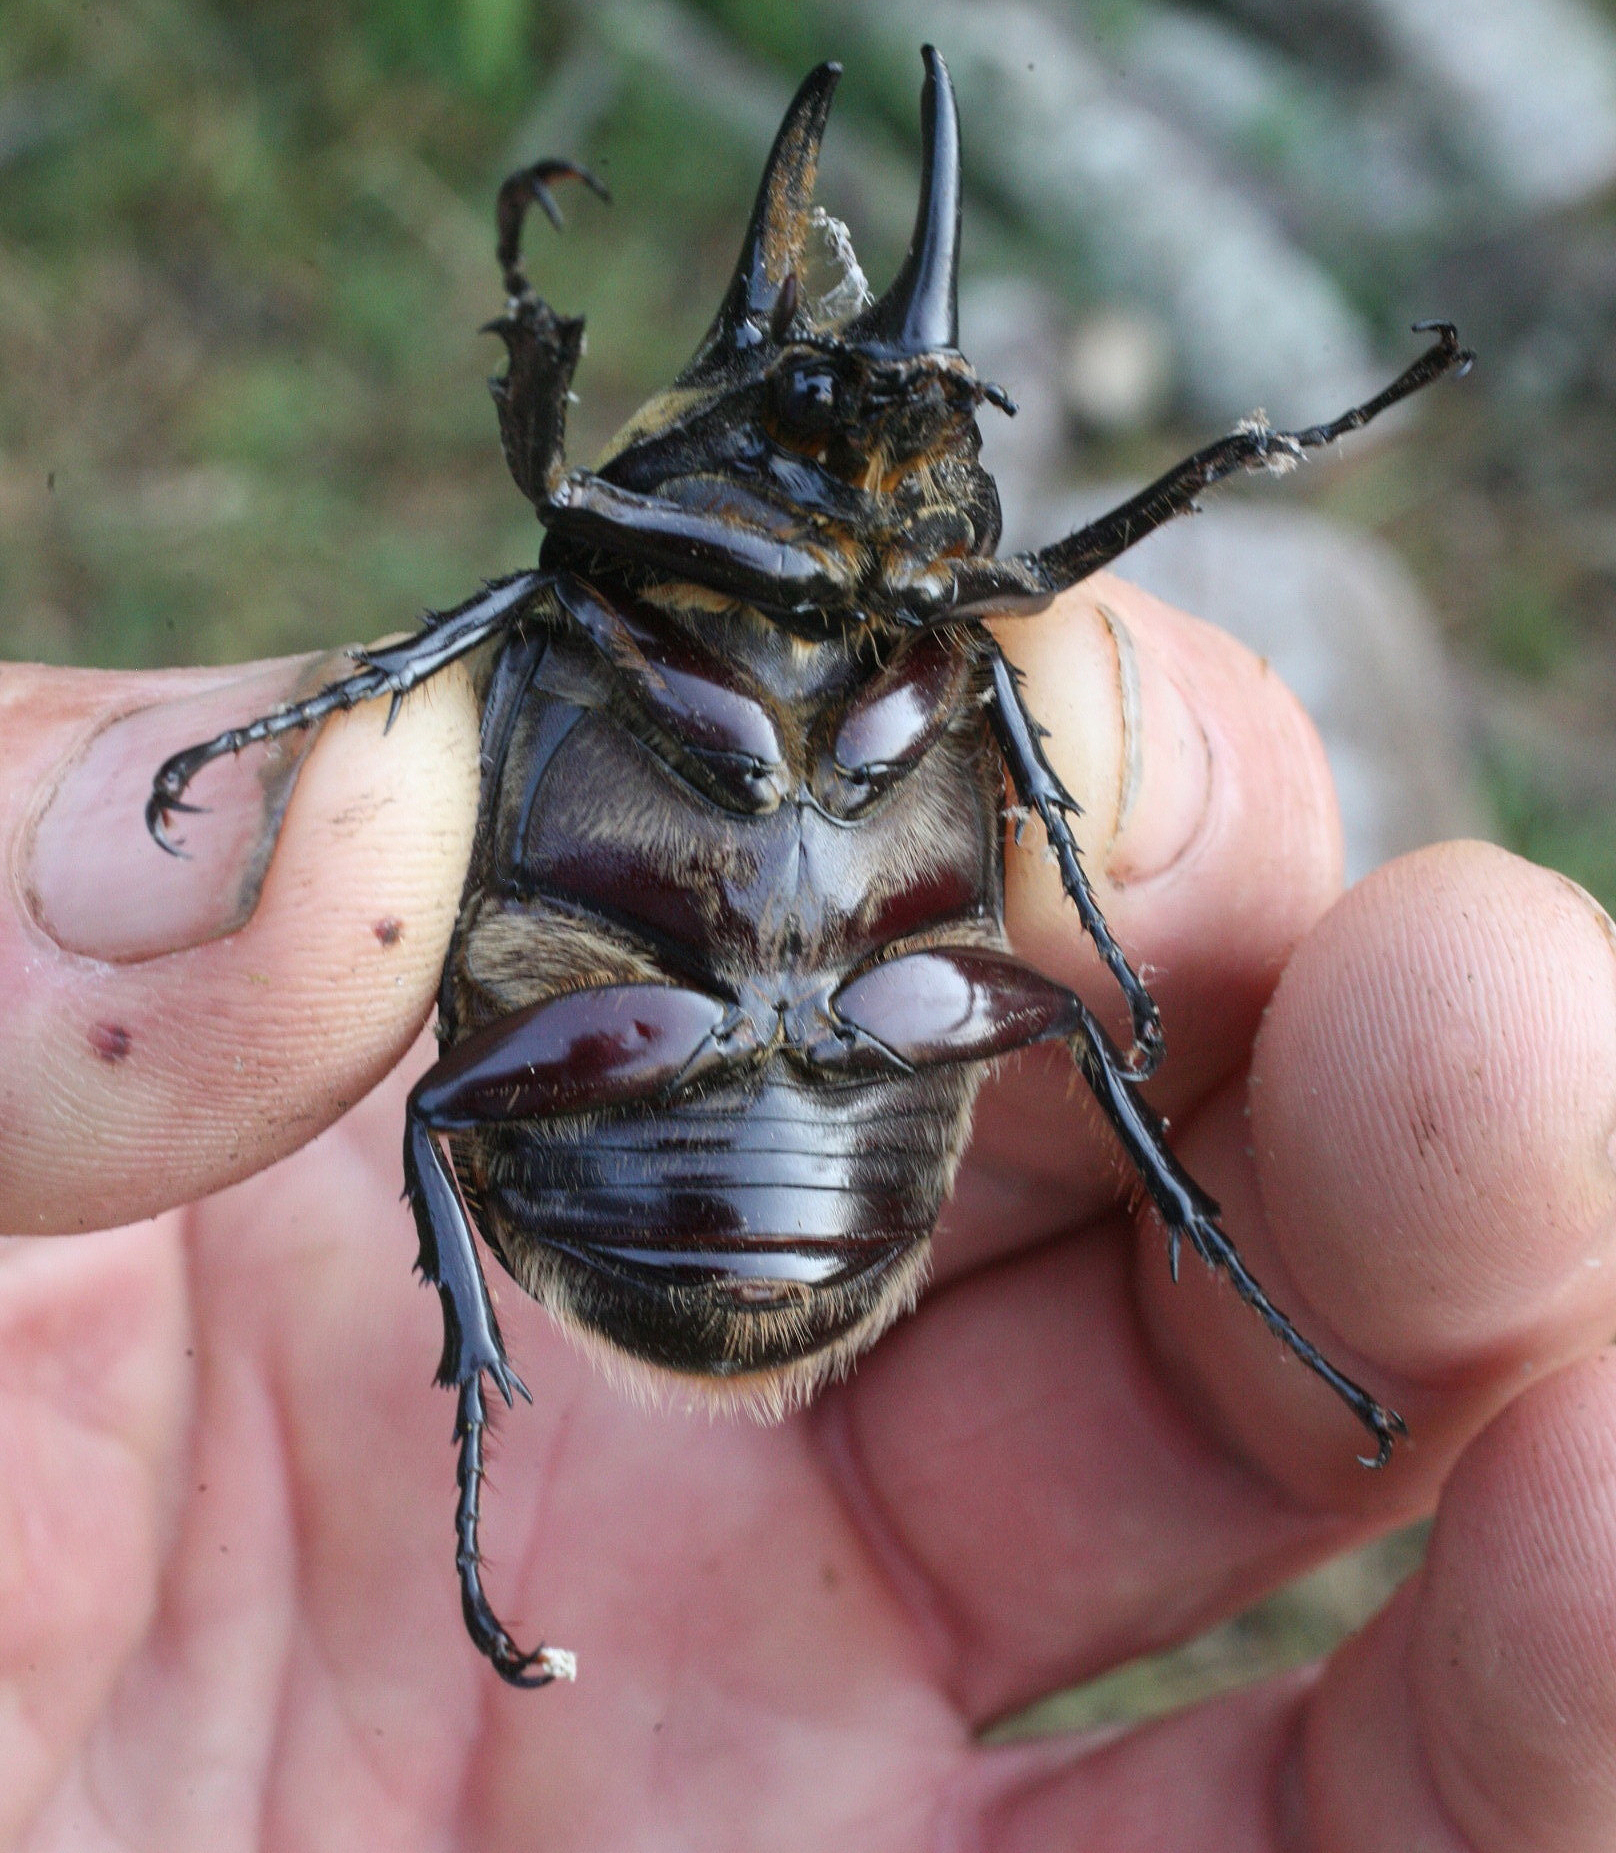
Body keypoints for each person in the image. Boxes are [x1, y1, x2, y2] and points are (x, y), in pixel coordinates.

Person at [0, 577, 1611, 1851]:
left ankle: (1231, 1269)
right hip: (672, 1126)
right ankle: (475, 1439)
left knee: (1062, 909)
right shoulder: (592, 602)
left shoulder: (938, 646)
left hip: (782, 1099)